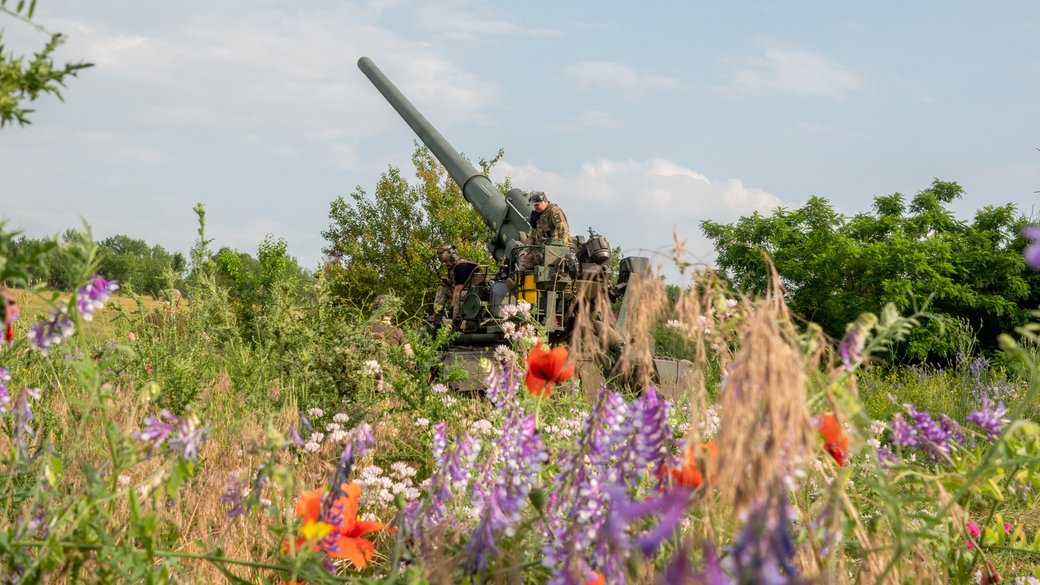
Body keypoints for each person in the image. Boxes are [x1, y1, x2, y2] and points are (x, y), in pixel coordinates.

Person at [517, 191, 572, 271]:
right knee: (522, 258)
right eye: (534, 205)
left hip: (554, 249)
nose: (535, 207)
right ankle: (519, 281)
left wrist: (562, 251)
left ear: (545, 201)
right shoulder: (536, 214)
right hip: (541, 248)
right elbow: (532, 235)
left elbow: (563, 231)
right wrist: (527, 250)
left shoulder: (554, 211)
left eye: (537, 205)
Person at [432, 244, 478, 321]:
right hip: (466, 292)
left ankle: (455, 321)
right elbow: (457, 283)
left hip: (472, 294)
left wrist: (452, 308)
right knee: (442, 288)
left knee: (457, 295)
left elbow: (458, 289)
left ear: (451, 258)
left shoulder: (460, 266)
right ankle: (437, 314)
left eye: (447, 261)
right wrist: (447, 282)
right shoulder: (454, 267)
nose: (446, 264)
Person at [369, 294, 414, 358]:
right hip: (390, 367)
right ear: (392, 311)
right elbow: (409, 354)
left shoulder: (365, 329)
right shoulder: (396, 331)